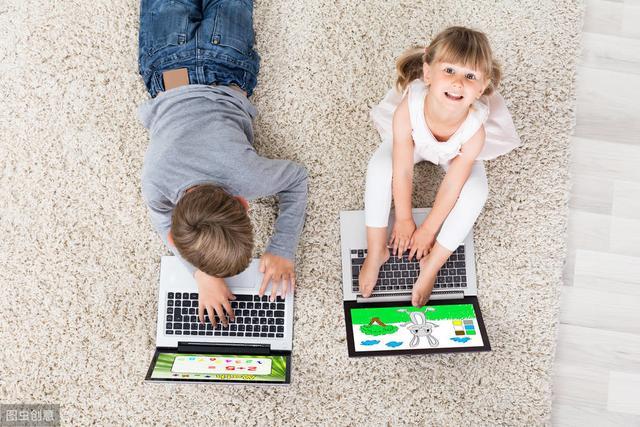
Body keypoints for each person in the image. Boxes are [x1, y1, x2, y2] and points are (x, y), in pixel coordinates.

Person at [137, 0, 308, 327]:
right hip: (168, 71)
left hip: (227, 64)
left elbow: (297, 179)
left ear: (243, 202)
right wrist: (201, 273)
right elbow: (164, 224)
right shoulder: (155, 182)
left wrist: (282, 249)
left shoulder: (247, 177)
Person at [359, 26, 520, 307]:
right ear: (428, 73)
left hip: (454, 153)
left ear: (481, 87)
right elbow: (403, 168)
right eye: (449, 71)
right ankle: (376, 251)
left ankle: (432, 263)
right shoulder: (409, 107)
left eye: (470, 76)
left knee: (477, 191)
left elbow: (452, 186)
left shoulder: (475, 130)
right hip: (414, 142)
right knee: (379, 167)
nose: (458, 83)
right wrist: (404, 219)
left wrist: (427, 231)